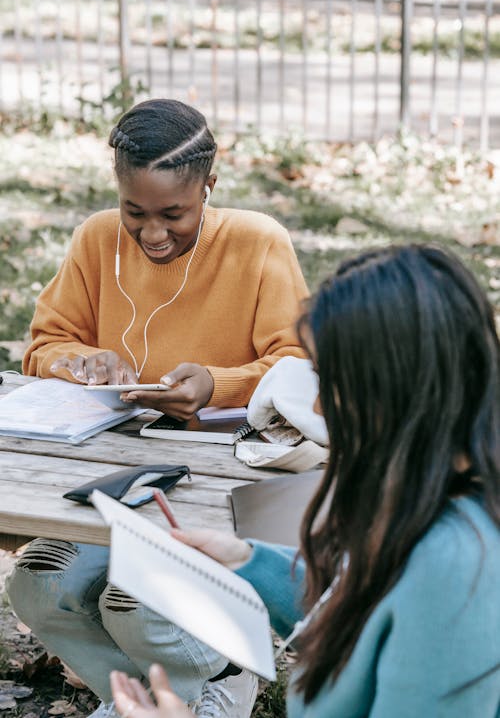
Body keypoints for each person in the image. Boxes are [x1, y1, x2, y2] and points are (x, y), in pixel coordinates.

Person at [7, 98, 308, 718]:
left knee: (135, 601)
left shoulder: (257, 244)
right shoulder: (96, 240)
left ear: (210, 188)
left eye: (175, 213)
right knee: (39, 584)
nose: (152, 233)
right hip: (110, 473)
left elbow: (300, 368)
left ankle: (220, 671)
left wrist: (218, 383)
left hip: (219, 482)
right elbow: (43, 345)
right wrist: (80, 361)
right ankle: (181, 702)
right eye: (134, 212)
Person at [110, 244, 499, 718]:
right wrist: (248, 563)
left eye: (327, 379)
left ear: (389, 388)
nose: (317, 408)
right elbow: (363, 601)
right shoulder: (428, 495)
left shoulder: (455, 568)